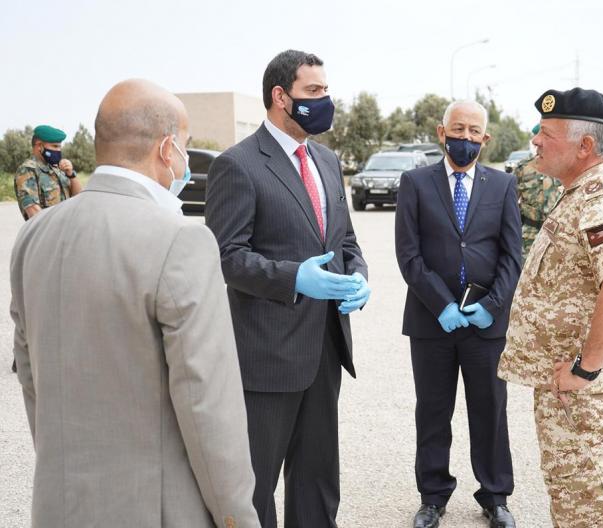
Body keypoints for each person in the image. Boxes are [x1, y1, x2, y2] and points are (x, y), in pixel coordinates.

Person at [9, 79, 259, 528]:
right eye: (185, 146)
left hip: (58, 506)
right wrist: (237, 516)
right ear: (167, 149)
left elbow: (32, 381)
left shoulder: (34, 236)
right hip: (156, 510)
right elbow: (207, 405)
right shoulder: (182, 241)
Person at [204, 50, 369, 528]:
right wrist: (294, 277)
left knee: (317, 480)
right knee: (255, 486)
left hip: (325, 347)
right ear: (280, 96)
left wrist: (358, 275)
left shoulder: (327, 160)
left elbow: (345, 240)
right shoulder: (238, 165)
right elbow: (226, 257)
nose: (325, 99)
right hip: (267, 356)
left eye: (326, 89)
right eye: (313, 91)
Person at [498, 88, 603, 527]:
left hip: (583, 395)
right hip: (574, 392)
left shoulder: (599, 201)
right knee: (600, 504)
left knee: (586, 510)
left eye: (547, 133)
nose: (536, 141)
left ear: (585, 146)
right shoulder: (577, 194)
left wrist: (585, 370)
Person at [395, 100, 522, 528]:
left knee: (490, 411)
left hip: (486, 325)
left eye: (473, 131)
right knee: (433, 412)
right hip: (432, 322)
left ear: (485, 138)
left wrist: (492, 306)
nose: (465, 137)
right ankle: (432, 497)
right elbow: (409, 255)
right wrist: (442, 304)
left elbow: (512, 256)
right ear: (441, 132)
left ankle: (495, 496)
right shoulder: (414, 183)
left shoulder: (503, 185)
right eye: (458, 129)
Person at [514, 124, 562, 261]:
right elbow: (511, 201)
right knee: (526, 268)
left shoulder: (562, 167)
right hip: (529, 234)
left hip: (557, 233)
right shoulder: (523, 167)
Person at [15, 124, 83, 220]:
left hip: (67, 225)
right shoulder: (27, 170)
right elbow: (34, 212)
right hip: (49, 228)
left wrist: (71, 175)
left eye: (60, 147)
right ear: (39, 146)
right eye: (55, 146)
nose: (58, 150)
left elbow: (79, 197)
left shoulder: (57, 168)